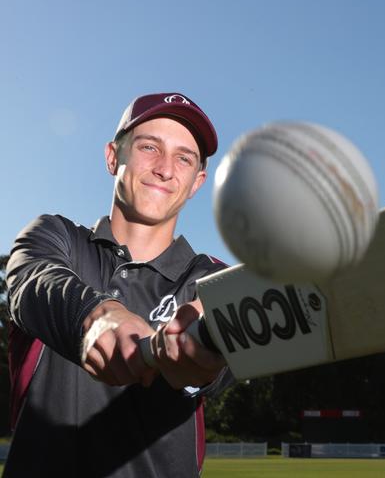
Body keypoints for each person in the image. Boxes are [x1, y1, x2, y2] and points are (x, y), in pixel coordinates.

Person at [4, 92, 234, 477]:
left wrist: (212, 345)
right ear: (113, 156)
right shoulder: (56, 237)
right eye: (149, 147)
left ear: (197, 183)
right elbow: (34, 282)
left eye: (183, 158)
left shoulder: (209, 279)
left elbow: (225, 365)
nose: (164, 169)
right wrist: (96, 314)